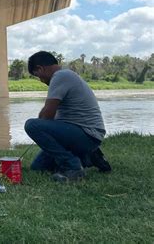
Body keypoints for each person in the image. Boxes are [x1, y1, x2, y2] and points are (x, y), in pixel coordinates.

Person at [24, 51, 111, 183]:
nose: (41, 81)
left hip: (87, 134)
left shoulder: (60, 76)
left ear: (40, 68)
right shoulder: (64, 75)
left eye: (38, 76)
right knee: (38, 168)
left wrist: (41, 123)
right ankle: (89, 156)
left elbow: (47, 116)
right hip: (80, 134)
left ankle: (73, 166)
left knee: (31, 125)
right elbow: (50, 116)